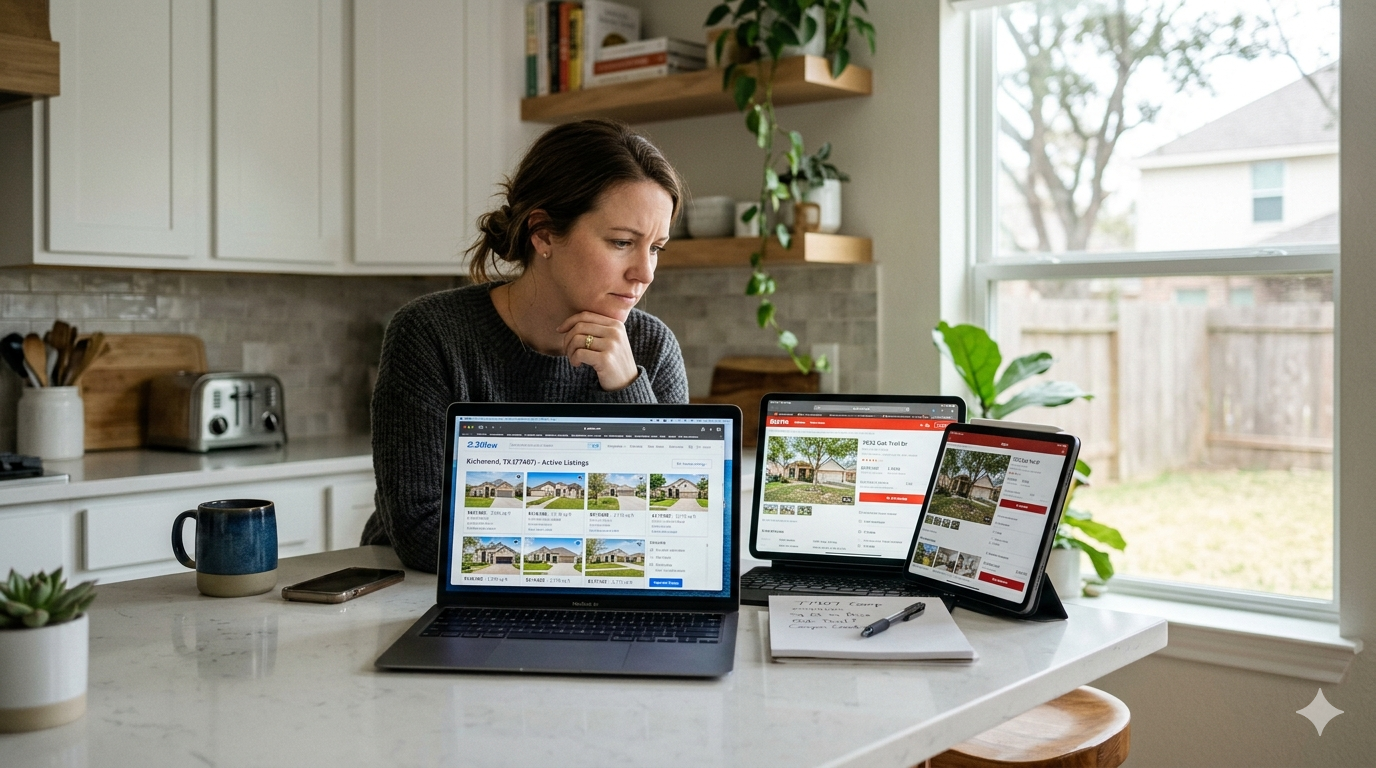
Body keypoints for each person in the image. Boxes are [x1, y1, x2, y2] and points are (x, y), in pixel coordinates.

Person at [361, 119, 690, 572]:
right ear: (543, 233)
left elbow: (673, 531)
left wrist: (627, 387)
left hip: (588, 595)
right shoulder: (430, 335)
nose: (645, 273)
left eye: (656, 248)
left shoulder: (651, 350)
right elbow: (421, 529)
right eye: (621, 242)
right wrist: (580, 546)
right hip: (423, 591)